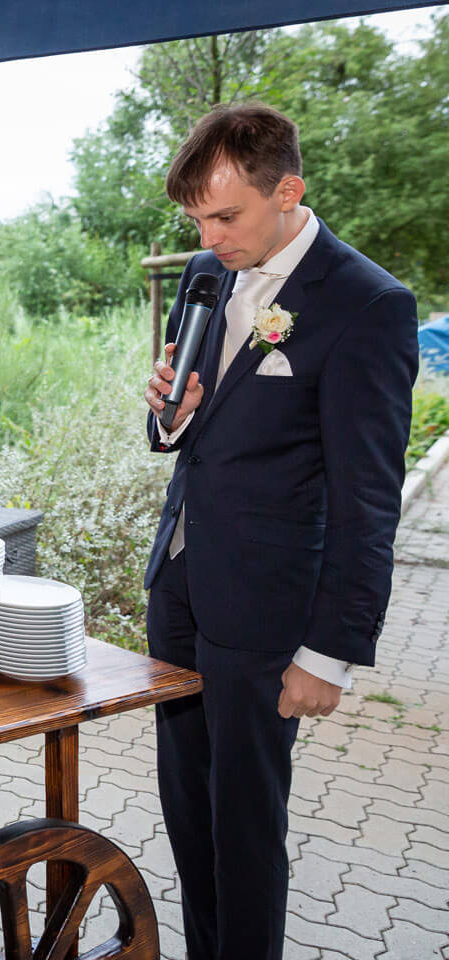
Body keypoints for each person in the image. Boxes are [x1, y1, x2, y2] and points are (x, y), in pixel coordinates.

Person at [142, 103, 417, 960]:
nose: (210, 235)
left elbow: (370, 498)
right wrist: (171, 417)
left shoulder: (367, 303)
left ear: (288, 189)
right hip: (181, 588)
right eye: (197, 219)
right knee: (188, 812)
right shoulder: (208, 271)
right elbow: (188, 433)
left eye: (226, 216)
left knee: (246, 826)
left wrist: (329, 652)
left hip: (268, 616)